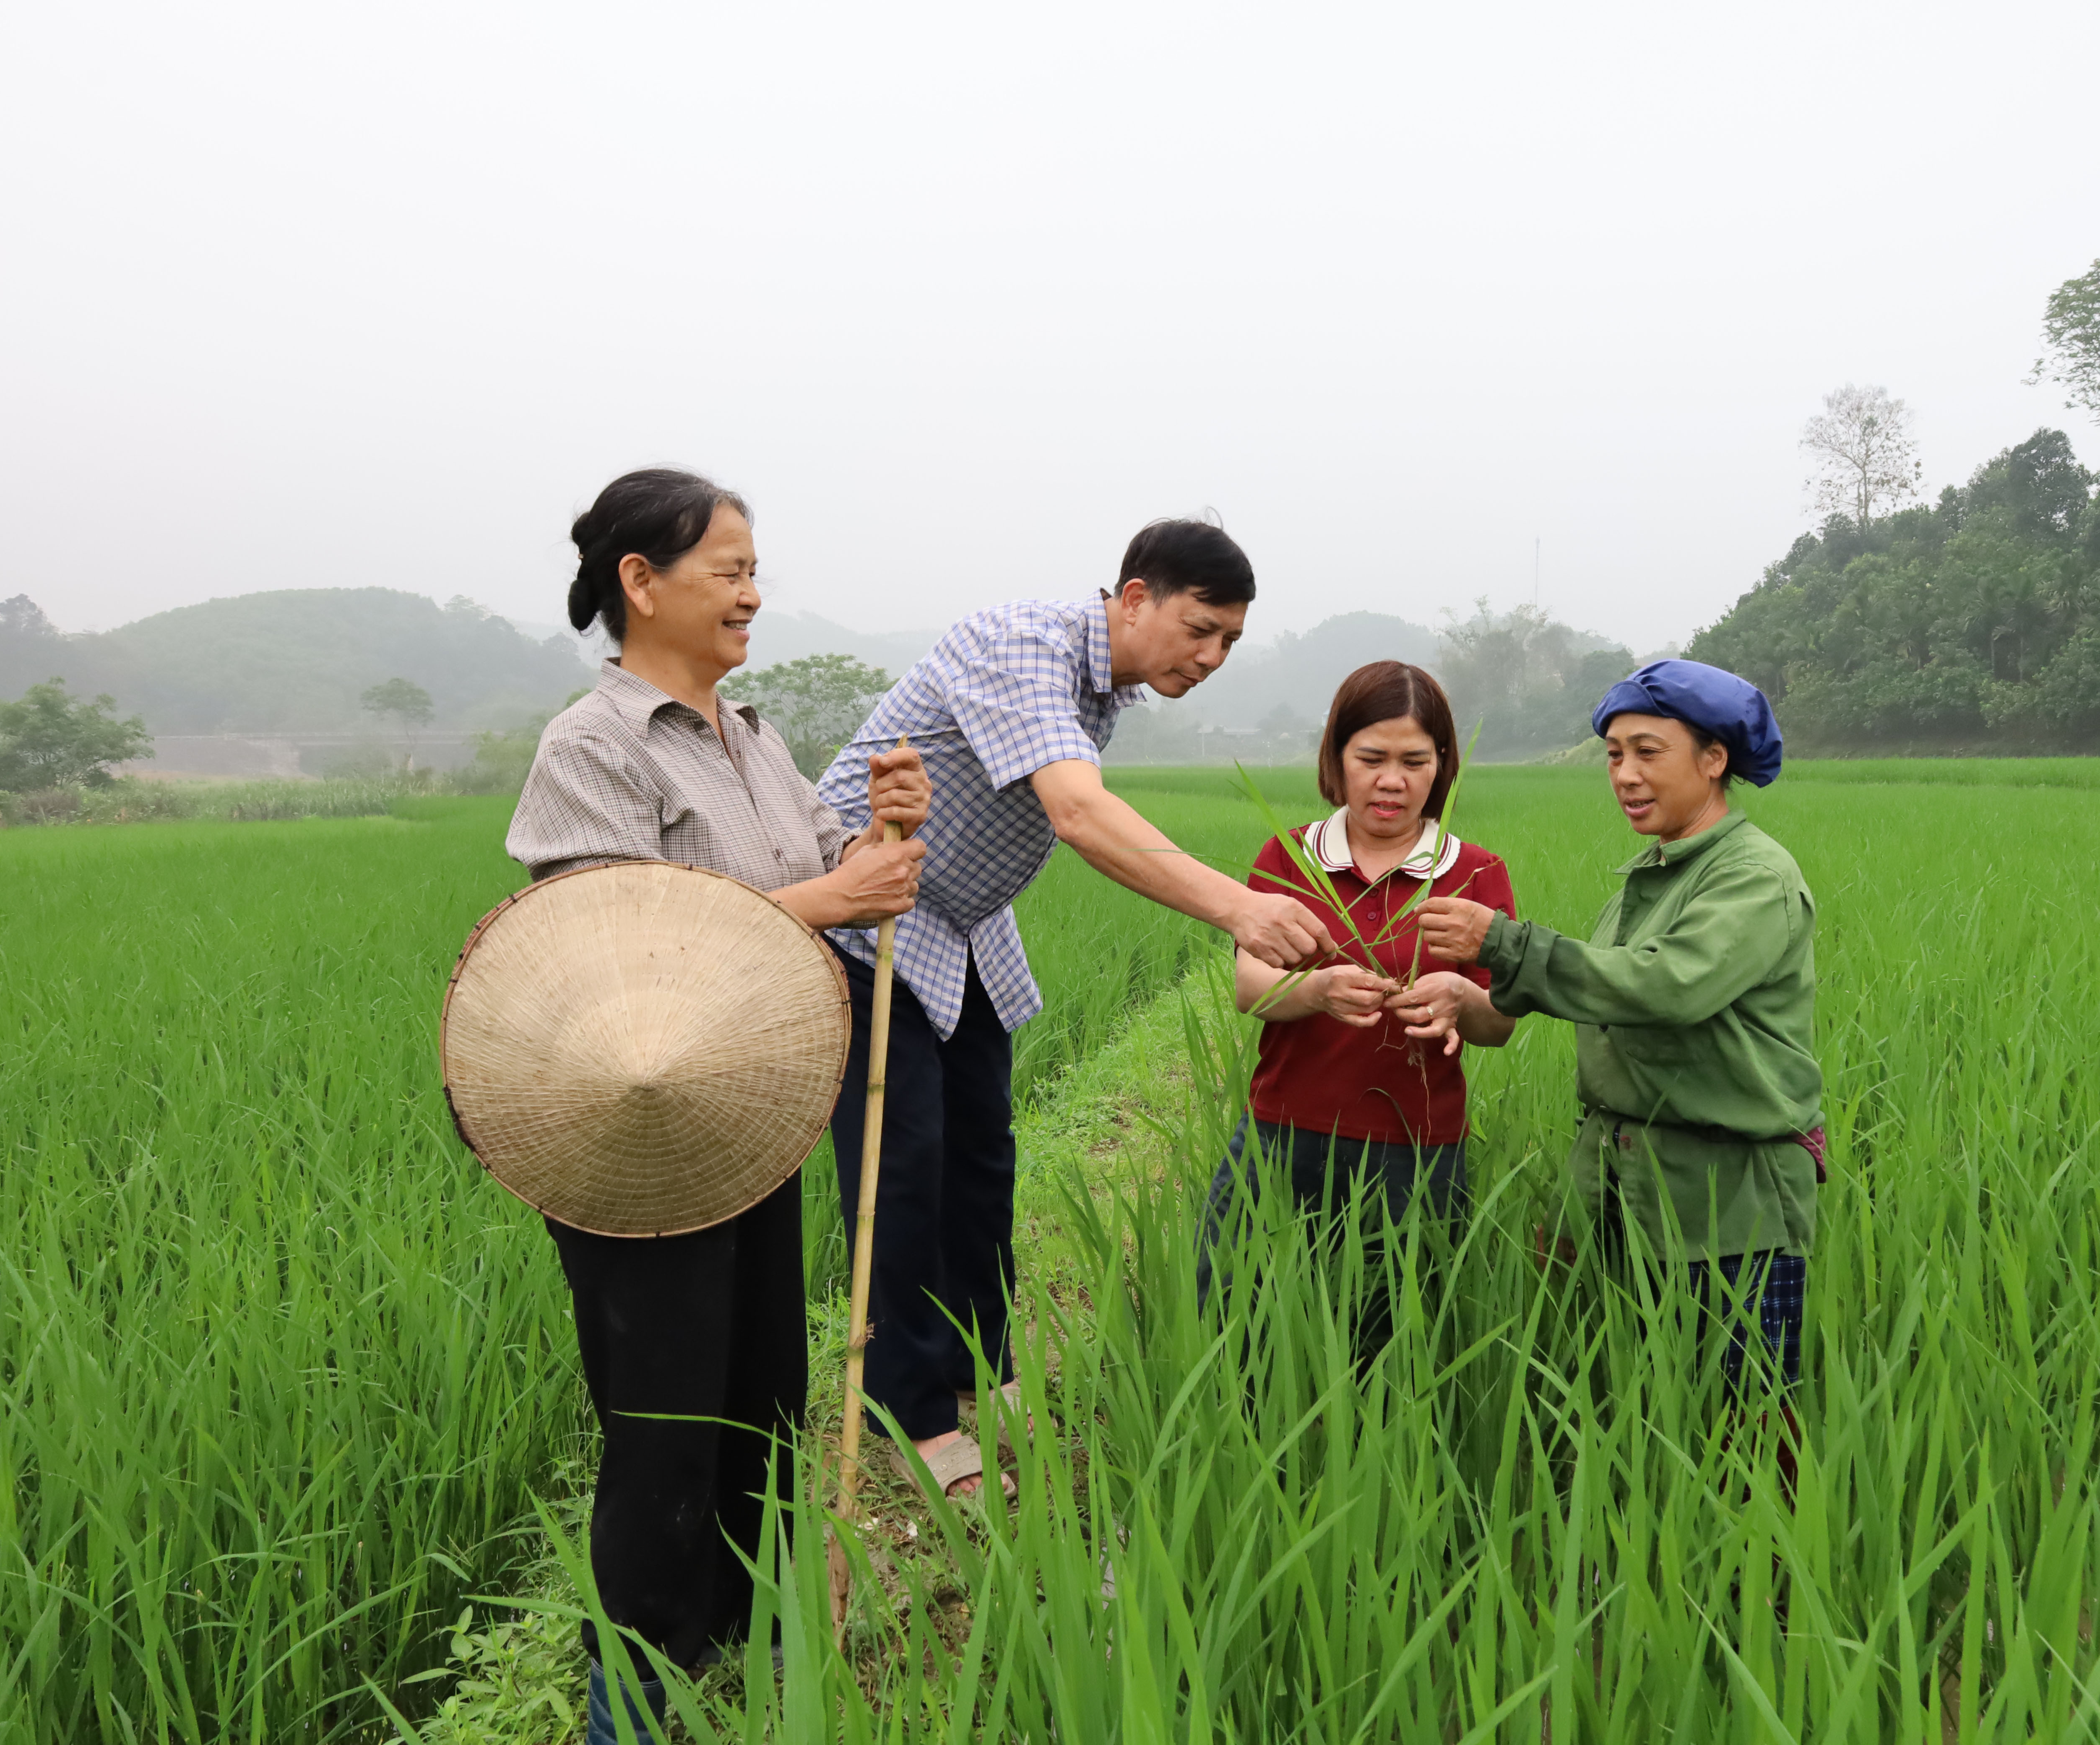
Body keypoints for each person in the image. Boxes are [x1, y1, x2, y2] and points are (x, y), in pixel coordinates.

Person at [504, 469, 931, 1745]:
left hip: (749, 1120)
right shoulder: (594, 746)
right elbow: (616, 947)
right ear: (640, 583)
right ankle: (631, 1703)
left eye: (755, 572)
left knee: (761, 1396)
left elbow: (828, 867)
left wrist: (881, 840)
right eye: (728, 571)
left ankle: (748, 1638)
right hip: (637, 1141)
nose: (751, 594)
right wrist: (832, 902)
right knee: (664, 1428)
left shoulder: (752, 737)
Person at [815, 516, 1332, 1501]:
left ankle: (979, 1364)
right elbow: (1079, 813)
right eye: (1200, 629)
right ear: (1134, 598)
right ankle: (911, 1413)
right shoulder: (1021, 643)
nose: (1211, 658)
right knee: (904, 1168)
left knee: (982, 1154)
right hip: (872, 916)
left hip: (963, 925)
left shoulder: (1106, 684)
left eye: (1230, 641)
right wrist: (1242, 908)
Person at [1416, 659, 1822, 1398]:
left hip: (1727, 1207)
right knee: (1615, 1403)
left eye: (1648, 752)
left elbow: (1667, 988)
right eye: (1613, 755)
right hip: (1615, 1185)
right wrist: (1468, 992)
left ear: (1714, 759)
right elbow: (1604, 991)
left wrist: (1503, 944)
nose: (1625, 775)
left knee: (1743, 1423)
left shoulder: (1752, 876)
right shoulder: (1654, 875)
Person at [1196, 661, 1517, 1358]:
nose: (1392, 781)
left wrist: (1461, 999)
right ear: (1337, 759)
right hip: (1283, 1132)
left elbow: (1498, 1024)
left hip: (1417, 1147)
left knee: (1392, 1343)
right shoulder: (1290, 857)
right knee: (1235, 1315)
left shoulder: (1475, 873)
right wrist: (1317, 991)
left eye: (1415, 762)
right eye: (1371, 759)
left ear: (1442, 766)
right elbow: (1251, 987)